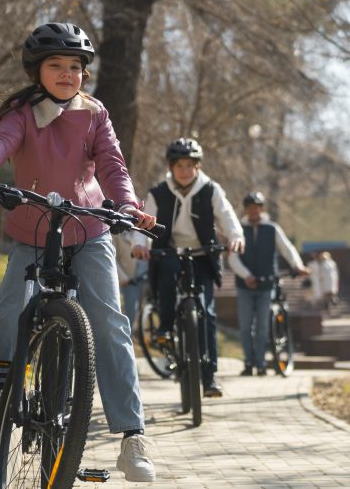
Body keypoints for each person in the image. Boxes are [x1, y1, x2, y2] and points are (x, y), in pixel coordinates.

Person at [0, 22, 157, 483]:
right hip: (32, 230)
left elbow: (112, 163)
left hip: (88, 227)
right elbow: (0, 143)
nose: (68, 74)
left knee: (110, 322)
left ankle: (132, 437)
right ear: (37, 72)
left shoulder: (94, 113)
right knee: (5, 318)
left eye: (76, 67)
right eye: (57, 66)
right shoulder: (21, 111)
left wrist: (128, 204)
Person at [131, 137, 244, 397]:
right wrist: (139, 244)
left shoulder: (210, 189)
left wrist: (236, 235)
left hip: (202, 253)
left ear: (198, 166)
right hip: (169, 250)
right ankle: (166, 328)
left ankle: (210, 377)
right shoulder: (158, 192)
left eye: (190, 165)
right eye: (179, 165)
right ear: (171, 167)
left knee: (207, 311)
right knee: (168, 274)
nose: (184, 171)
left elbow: (227, 216)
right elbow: (145, 224)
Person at [227, 191, 308, 376]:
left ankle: (261, 363)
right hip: (244, 285)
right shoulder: (239, 229)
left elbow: (287, 248)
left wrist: (298, 265)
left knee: (263, 326)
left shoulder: (272, 229)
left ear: (261, 209)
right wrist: (246, 275)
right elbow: (233, 258)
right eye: (250, 207)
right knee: (246, 326)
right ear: (246, 209)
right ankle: (248, 363)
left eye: (257, 207)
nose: (253, 211)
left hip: (266, 284)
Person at [113, 230, 148, 326]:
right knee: (130, 313)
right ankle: (130, 337)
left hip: (145, 277)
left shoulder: (144, 231)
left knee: (146, 311)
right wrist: (123, 279)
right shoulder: (116, 233)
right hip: (129, 281)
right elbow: (113, 259)